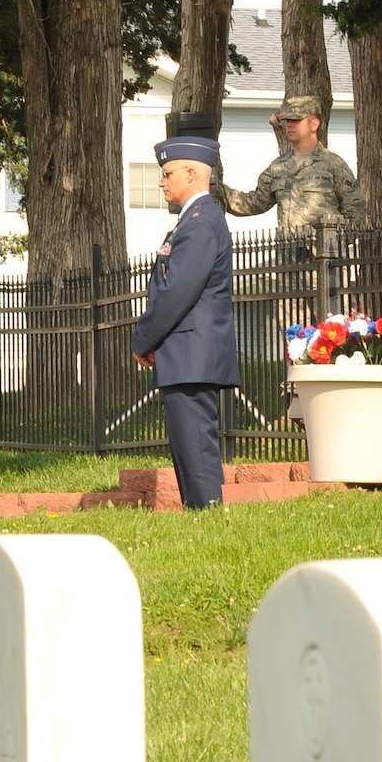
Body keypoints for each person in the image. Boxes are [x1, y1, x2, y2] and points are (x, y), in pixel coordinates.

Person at [130, 132, 240, 508]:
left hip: (193, 353)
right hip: (186, 353)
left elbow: (178, 292)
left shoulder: (198, 222)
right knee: (188, 445)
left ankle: (206, 513)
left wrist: (143, 339)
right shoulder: (193, 219)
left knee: (195, 446)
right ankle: (202, 512)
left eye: (168, 172)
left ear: (192, 173)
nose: (162, 180)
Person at [222, 96, 367, 229]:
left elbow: (356, 211)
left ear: (314, 124)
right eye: (287, 120)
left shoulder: (333, 165)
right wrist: (218, 190)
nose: (290, 125)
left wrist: (333, 245)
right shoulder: (278, 167)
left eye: (296, 120)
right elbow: (255, 202)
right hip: (288, 254)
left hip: (323, 255)